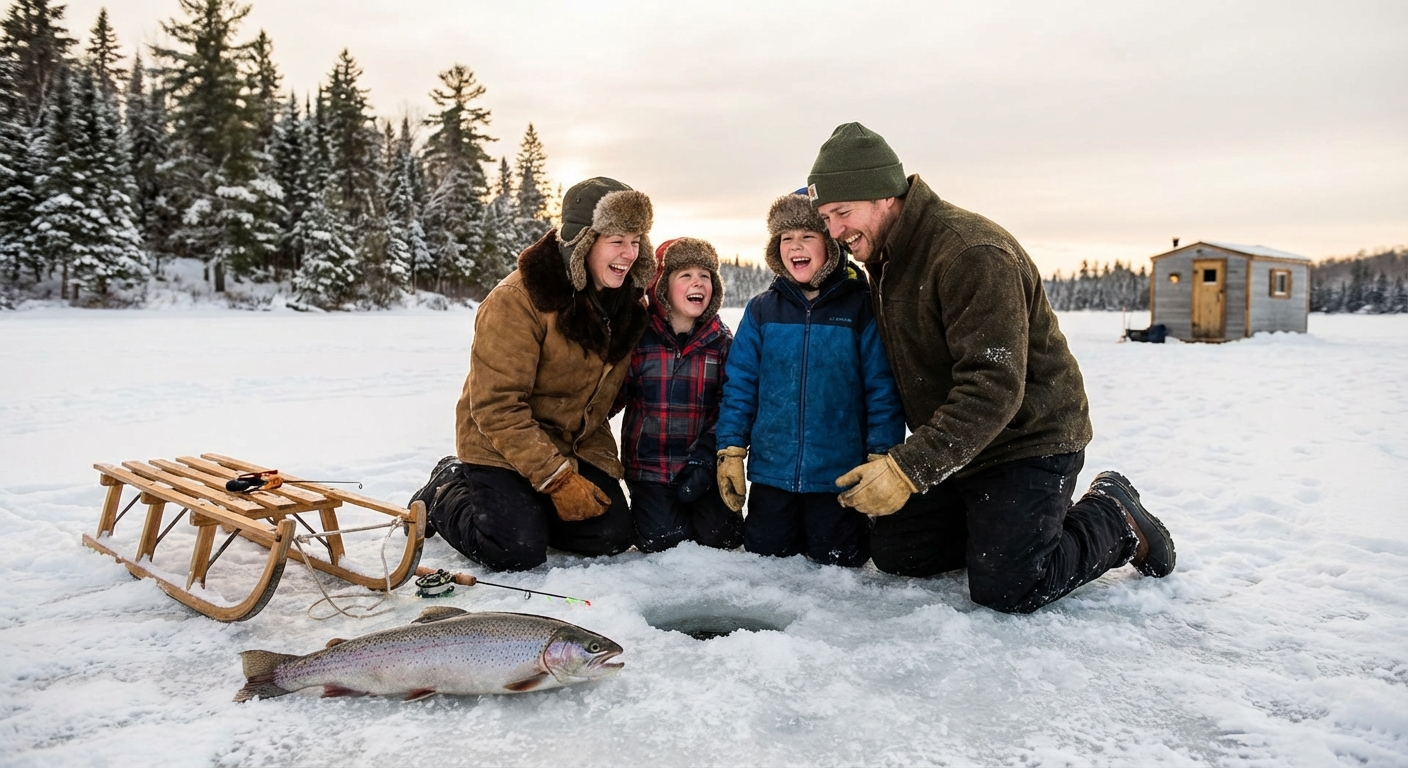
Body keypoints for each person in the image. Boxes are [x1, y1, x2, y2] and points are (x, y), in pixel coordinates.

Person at [810, 122, 1176, 613]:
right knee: (899, 553)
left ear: (884, 196)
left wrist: (909, 469)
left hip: (1029, 439)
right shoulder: (888, 255)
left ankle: (1114, 515)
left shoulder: (970, 253)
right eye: (826, 218)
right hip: (964, 446)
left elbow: (994, 386)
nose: (835, 231)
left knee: (1009, 586)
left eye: (842, 213)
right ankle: (1003, 528)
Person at [408, 177, 655, 571]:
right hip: (499, 444)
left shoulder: (625, 305)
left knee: (610, 537)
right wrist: (557, 480)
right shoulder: (517, 300)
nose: (629, 253)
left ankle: (528, 509)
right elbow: (495, 407)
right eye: (616, 241)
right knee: (515, 549)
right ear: (582, 241)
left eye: (636, 241)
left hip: (571, 444)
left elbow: (602, 397)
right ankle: (447, 485)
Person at [714, 192, 906, 567]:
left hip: (837, 476)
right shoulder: (762, 309)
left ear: (831, 244)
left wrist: (881, 453)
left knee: (838, 564)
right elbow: (740, 386)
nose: (795, 246)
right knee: (766, 561)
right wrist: (731, 449)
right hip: (772, 474)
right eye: (786, 238)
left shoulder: (861, 306)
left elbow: (881, 389)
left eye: (807, 236)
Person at [613, 237, 742, 553]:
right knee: (663, 540)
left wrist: (708, 457)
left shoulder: (721, 341)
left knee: (723, 538)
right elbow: (610, 397)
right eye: (686, 275)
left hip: (700, 465)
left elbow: (730, 405)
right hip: (650, 469)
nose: (698, 282)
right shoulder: (639, 338)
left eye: (705, 276)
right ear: (662, 286)